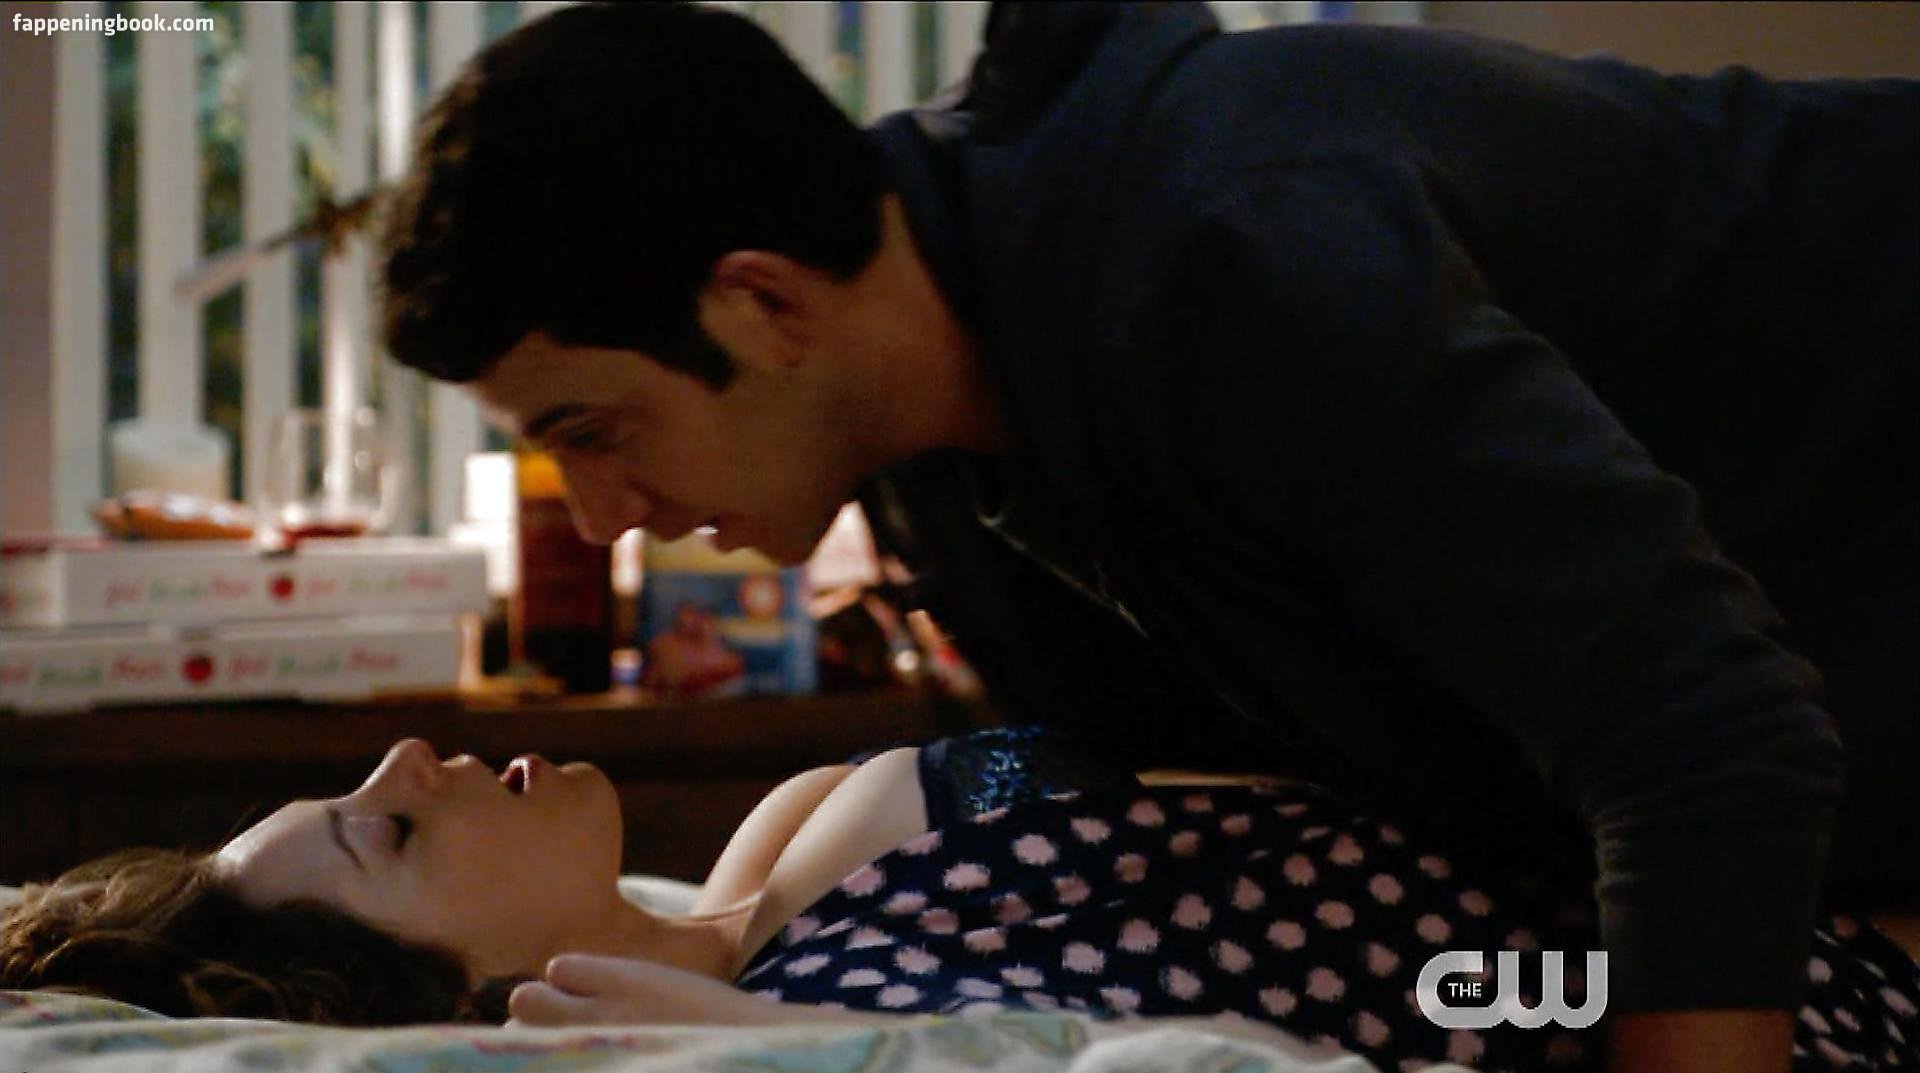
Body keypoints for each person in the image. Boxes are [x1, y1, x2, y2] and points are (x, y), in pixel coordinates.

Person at [375, 3, 1917, 1070]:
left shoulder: (1239, 261)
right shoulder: (946, 462)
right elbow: (1226, 854)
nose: (600, 518)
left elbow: (1704, 740)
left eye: (595, 429)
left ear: (761, 304)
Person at [3, 733, 1915, 1071]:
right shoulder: (857, 1013)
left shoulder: (775, 845)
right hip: (1714, 1008)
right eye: (389, 833)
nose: (414, 757)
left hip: (1704, 872)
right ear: (479, 992)